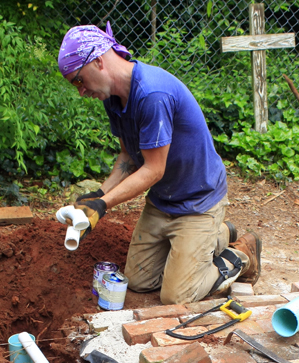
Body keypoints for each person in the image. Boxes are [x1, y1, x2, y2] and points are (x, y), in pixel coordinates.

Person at [57, 23, 261, 304]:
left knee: (176, 296)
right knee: (138, 282)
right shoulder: (114, 99)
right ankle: (219, 234)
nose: (81, 91)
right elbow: (128, 157)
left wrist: (103, 207)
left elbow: (154, 169)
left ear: (97, 61)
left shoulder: (152, 95)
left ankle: (240, 252)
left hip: (197, 202)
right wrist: (97, 195)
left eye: (79, 80)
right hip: (163, 201)